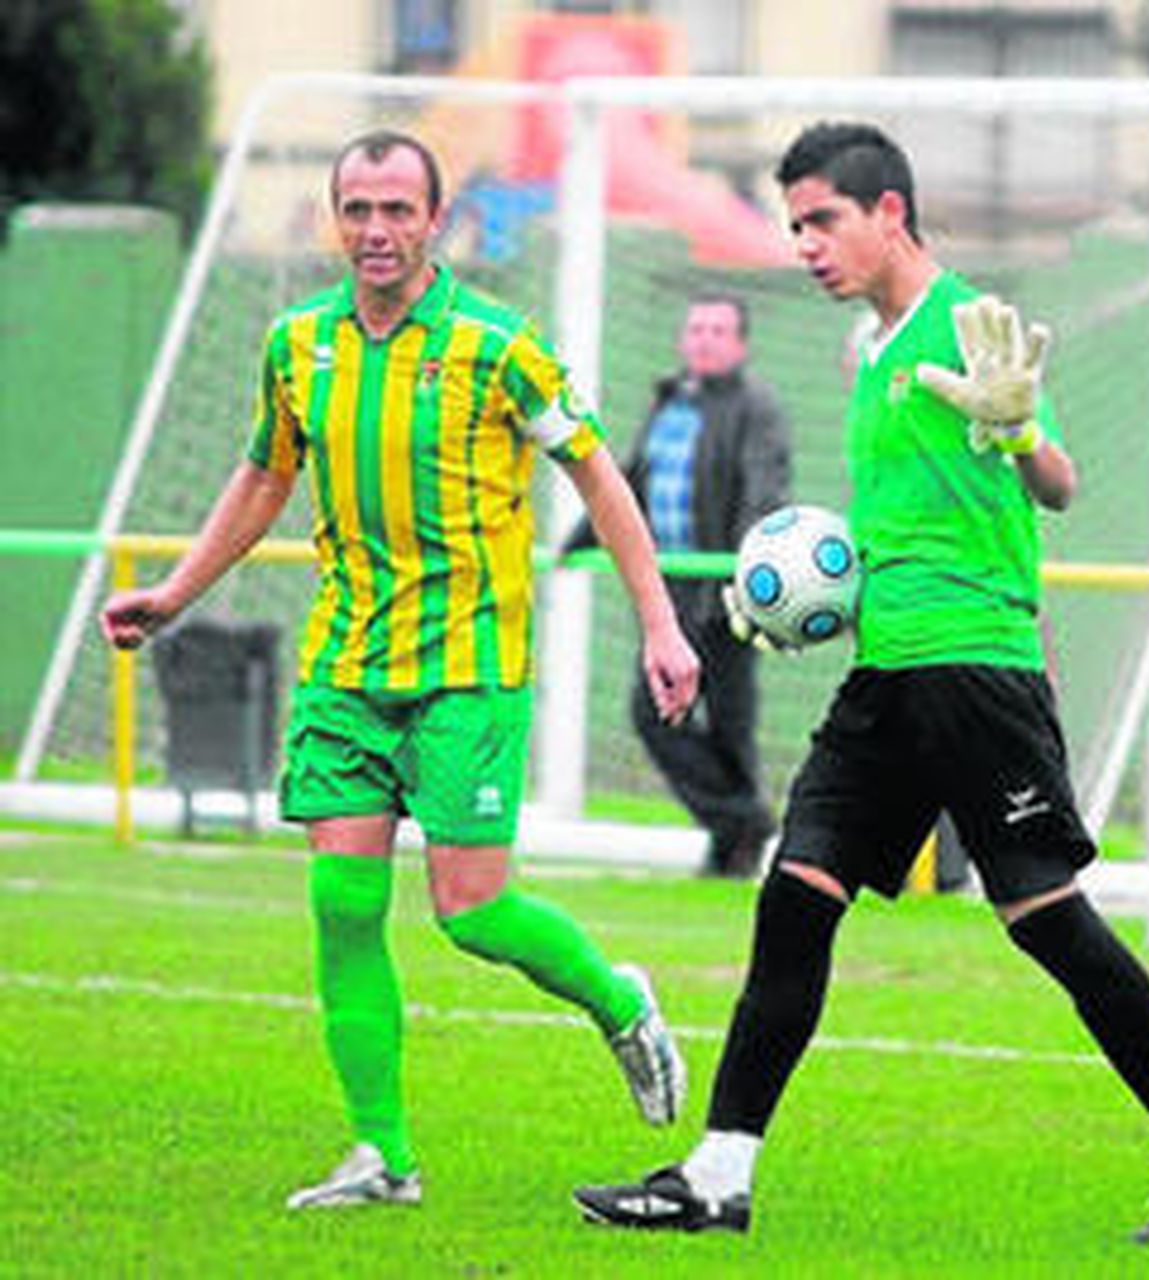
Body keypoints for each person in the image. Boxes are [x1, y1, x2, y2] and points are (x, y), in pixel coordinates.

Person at [573, 122, 1149, 1245]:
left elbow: (1058, 481)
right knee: (794, 899)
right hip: (883, 670)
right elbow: (897, 520)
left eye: (821, 220)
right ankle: (716, 1174)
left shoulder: (966, 325)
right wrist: (792, 593)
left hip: (975, 673)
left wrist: (1019, 423)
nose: (804, 243)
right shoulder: (871, 348)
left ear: (888, 211)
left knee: (1044, 918)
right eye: (793, 224)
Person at [99, 129, 702, 1210]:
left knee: (470, 911)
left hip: (467, 664)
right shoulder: (296, 344)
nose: (375, 230)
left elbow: (602, 479)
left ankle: (621, 1001)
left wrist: (659, 623)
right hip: (346, 661)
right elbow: (260, 477)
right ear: (337, 219)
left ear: (436, 220)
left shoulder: (499, 344)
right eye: (357, 210)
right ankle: (382, 1154)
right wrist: (175, 592)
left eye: (396, 210)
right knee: (340, 897)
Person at [564, 294, 791, 877]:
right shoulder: (668, 401)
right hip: (672, 595)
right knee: (654, 714)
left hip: (725, 594)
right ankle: (741, 821)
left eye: (718, 330)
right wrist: (580, 539)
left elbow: (763, 491)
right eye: (696, 328)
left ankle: (734, 838)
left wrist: (745, 581)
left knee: (730, 722)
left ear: (740, 343)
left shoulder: (756, 405)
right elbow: (630, 484)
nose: (704, 339)